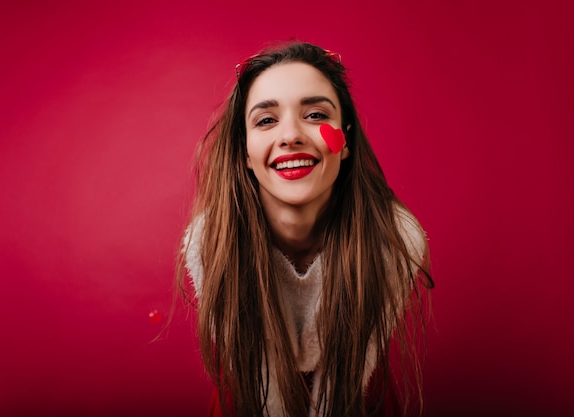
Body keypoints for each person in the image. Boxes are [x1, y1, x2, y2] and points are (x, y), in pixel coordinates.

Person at [177, 41, 434, 417]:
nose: (291, 135)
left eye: (315, 115)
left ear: (344, 141)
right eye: (266, 120)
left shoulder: (392, 241)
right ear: (245, 153)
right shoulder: (211, 243)